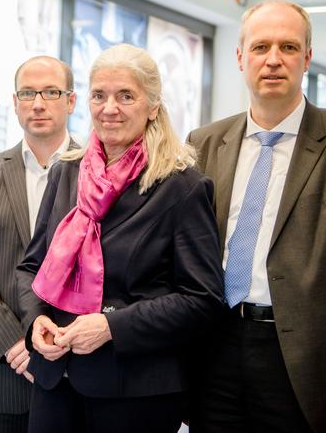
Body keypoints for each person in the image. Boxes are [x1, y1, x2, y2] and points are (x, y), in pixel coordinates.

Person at [188, 0, 326, 433]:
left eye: (288, 47)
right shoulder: (204, 143)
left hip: (303, 364)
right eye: (261, 47)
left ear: (307, 58)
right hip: (213, 351)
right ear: (240, 57)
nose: (273, 59)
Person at [16, 43, 224, 433]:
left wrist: (112, 327)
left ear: (153, 106)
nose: (109, 108)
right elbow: (31, 267)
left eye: (126, 96)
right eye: (99, 95)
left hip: (135, 390)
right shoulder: (67, 173)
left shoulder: (182, 187)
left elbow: (202, 299)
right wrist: (36, 320)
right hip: (55, 381)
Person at [0, 55, 77, 433]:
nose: (38, 103)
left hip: (74, 363)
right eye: (28, 93)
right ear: (14, 101)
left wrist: (59, 339)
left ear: (70, 101)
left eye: (50, 92)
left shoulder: (98, 172)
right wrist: (14, 344)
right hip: (0, 368)